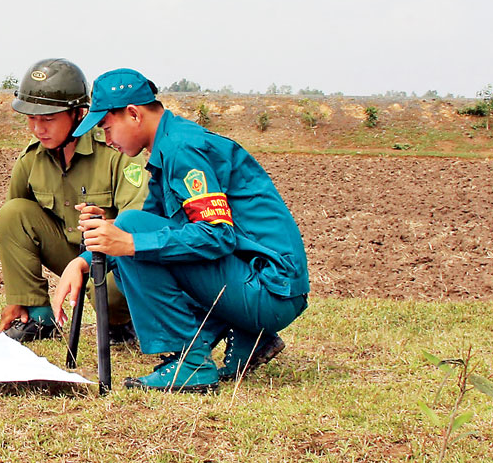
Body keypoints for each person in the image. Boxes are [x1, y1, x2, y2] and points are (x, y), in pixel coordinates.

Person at [54, 68, 309, 393]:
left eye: (107, 127)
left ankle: (192, 364)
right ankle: (249, 336)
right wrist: (85, 261)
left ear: (133, 114)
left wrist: (128, 241)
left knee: (135, 232)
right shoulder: (170, 147)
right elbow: (155, 222)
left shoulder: (181, 150)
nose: (107, 140)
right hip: (270, 285)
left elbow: (218, 235)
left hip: (270, 290)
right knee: (140, 232)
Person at [0, 58, 148, 343]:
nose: (39, 129)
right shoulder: (31, 160)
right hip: (66, 252)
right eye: (31, 119)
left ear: (79, 114)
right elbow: (14, 227)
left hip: (111, 259)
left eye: (48, 119)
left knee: (114, 297)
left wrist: (106, 225)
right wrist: (17, 296)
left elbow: (139, 221)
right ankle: (37, 316)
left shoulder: (116, 153)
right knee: (12, 213)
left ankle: (122, 321)